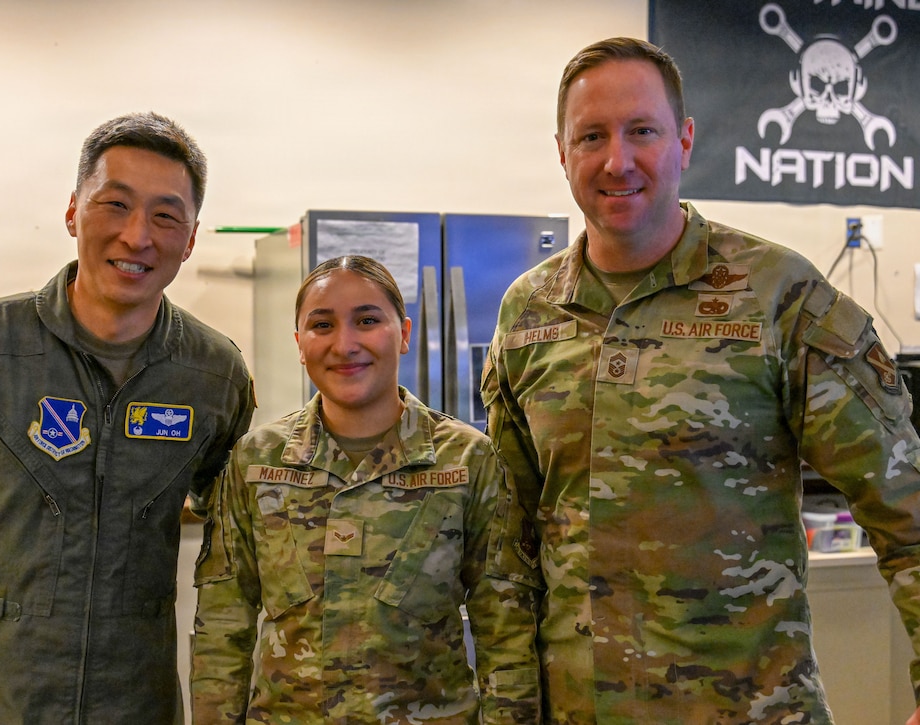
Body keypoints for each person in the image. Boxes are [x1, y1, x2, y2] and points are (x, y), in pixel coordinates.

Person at [481, 37, 920, 724]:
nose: (617, 160)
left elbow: (906, 504)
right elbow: (507, 540)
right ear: (562, 152)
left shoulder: (779, 295)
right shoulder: (529, 312)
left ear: (684, 140)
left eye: (642, 131)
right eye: (591, 135)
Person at [0, 111, 255, 724]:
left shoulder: (213, 376)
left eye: (166, 215)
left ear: (190, 240)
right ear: (72, 212)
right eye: (115, 204)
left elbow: (231, 537)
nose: (138, 235)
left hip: (134, 701)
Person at [190, 255, 543, 723]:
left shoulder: (466, 461)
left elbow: (507, 634)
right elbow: (222, 628)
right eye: (322, 325)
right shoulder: (257, 462)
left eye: (367, 320)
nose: (345, 343)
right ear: (299, 344)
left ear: (404, 333)